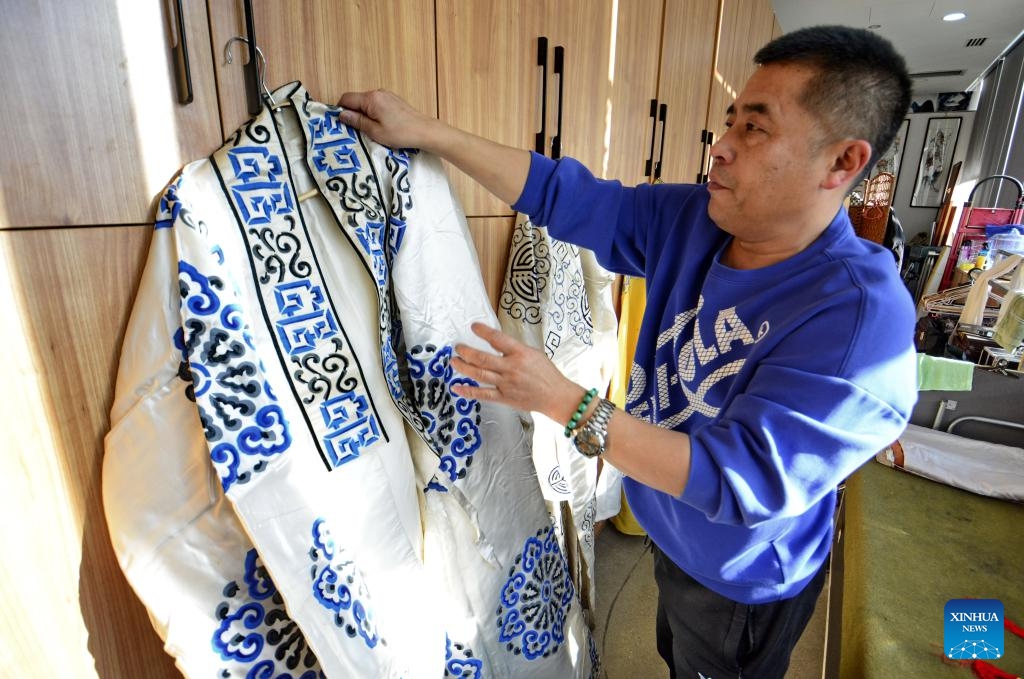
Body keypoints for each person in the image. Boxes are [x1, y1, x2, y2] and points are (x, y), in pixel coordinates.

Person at [338, 24, 917, 679]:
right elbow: (566, 196)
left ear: (842, 162)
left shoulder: (859, 321)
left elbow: (737, 479)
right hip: (672, 530)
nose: (719, 149)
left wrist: (562, 400)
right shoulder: (697, 218)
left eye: (754, 129)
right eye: (728, 123)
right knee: (675, 651)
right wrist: (430, 132)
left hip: (742, 578)